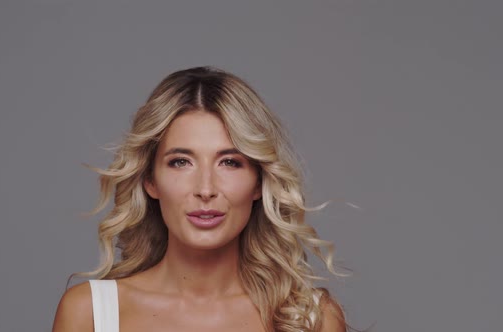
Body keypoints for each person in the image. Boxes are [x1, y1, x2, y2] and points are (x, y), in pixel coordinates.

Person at [52, 66, 347, 332]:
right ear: (150, 180)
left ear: (259, 181)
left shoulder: (313, 319)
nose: (205, 189)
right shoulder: (88, 314)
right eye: (181, 162)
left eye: (230, 162)